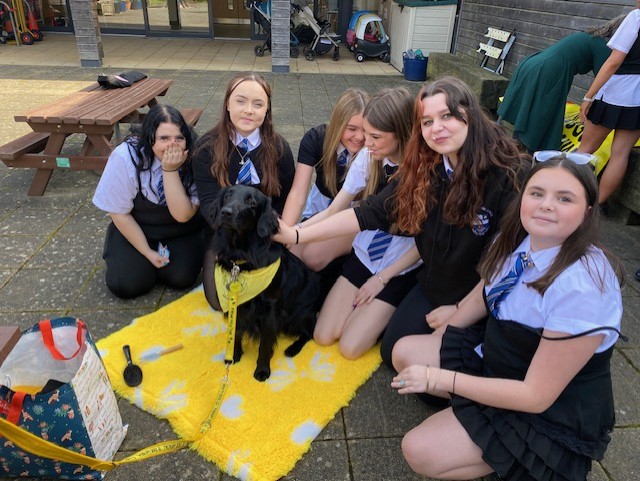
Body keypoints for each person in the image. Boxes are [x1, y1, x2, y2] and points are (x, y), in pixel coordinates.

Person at [391, 153, 624, 481]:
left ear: (587, 212)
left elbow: (536, 395)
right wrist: (446, 330)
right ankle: (474, 421)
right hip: (504, 358)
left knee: (418, 449)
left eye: (564, 198)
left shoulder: (582, 287)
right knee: (405, 351)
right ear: (523, 197)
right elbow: (483, 295)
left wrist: (439, 378)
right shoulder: (517, 236)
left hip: (548, 404)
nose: (546, 205)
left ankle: (513, 456)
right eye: (537, 193)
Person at [275, 76, 528, 369]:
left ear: (469, 114)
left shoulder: (508, 175)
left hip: (455, 282)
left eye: (447, 116)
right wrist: (295, 235)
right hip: (421, 273)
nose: (437, 128)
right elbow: (365, 213)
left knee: (378, 353)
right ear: (418, 129)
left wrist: (458, 311)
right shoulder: (426, 167)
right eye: (428, 121)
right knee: (352, 342)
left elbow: (505, 258)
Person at [308, 88, 423, 359]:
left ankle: (382, 313)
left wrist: (382, 279)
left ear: (402, 132)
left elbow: (425, 242)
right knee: (323, 336)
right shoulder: (370, 158)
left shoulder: (423, 174)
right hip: (366, 254)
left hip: (399, 266)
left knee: (350, 347)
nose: (364, 142)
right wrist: (297, 232)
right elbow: (336, 208)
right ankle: (365, 315)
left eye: (375, 136)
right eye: (365, 133)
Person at [192, 72, 295, 311]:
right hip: (223, 233)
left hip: (263, 233)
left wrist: (274, 236)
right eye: (240, 101)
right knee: (220, 303)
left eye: (258, 104)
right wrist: (225, 243)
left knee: (274, 295)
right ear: (227, 104)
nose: (249, 110)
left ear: (266, 111)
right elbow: (209, 203)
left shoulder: (279, 149)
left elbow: (285, 199)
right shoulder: (206, 148)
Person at [93, 104, 204, 299]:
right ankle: (139, 258)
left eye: (179, 138)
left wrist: (169, 171)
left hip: (180, 229)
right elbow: (119, 213)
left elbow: (183, 214)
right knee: (127, 285)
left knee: (181, 279)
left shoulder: (195, 157)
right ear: (149, 138)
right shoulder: (126, 156)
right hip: (137, 226)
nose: (172, 145)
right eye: (164, 138)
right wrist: (147, 252)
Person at [498, 15, 626, 153]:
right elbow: (605, 79)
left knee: (530, 111)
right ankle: (527, 154)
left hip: (534, 64)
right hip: (549, 72)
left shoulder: (591, 36)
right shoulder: (603, 46)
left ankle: (517, 151)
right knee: (541, 114)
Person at [282, 87, 370, 271]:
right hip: (322, 207)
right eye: (352, 129)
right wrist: (287, 232)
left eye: (365, 130)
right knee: (291, 254)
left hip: (357, 213)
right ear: (337, 123)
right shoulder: (316, 139)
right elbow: (298, 192)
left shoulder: (373, 150)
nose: (360, 137)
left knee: (314, 257)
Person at [577, 5, 640, 205]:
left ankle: (568, 196)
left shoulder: (636, 17)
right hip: (638, 100)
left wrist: (588, 96)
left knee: (585, 148)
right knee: (620, 155)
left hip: (617, 92)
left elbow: (614, 61)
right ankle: (595, 207)